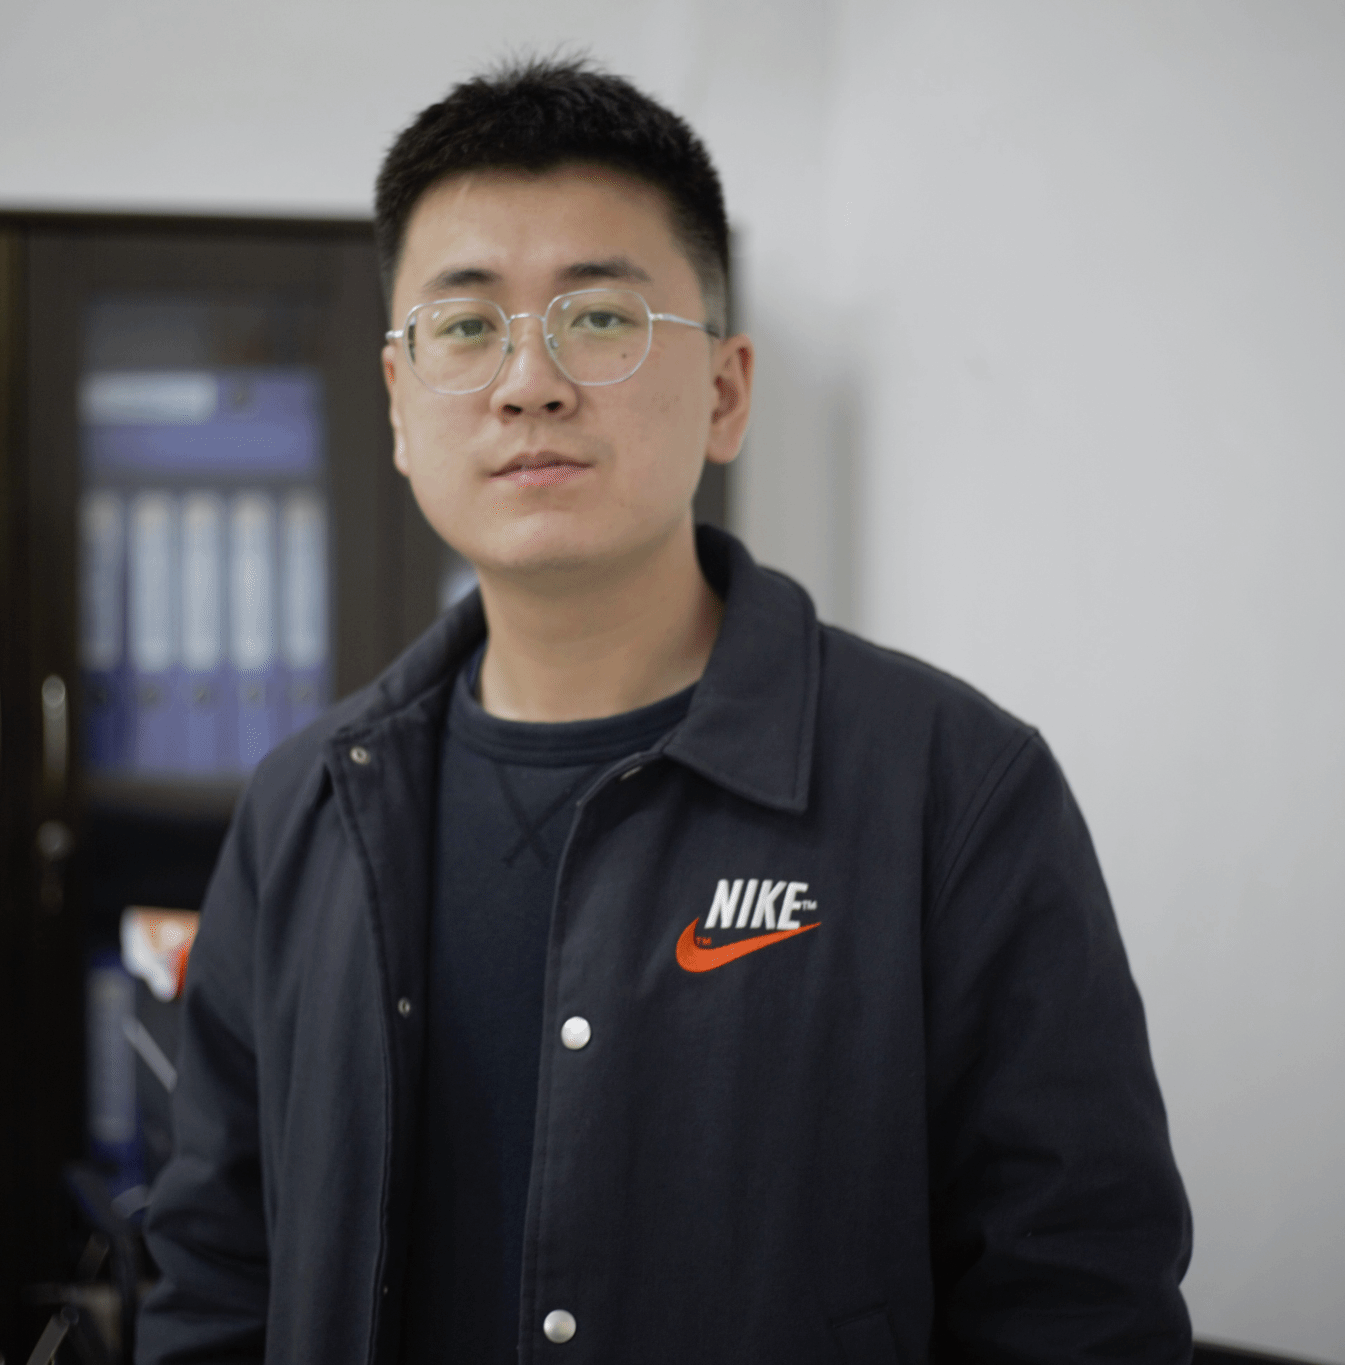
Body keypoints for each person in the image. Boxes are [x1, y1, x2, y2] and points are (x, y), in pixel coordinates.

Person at [138, 56, 1192, 1365]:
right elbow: (216, 1273)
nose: (529, 382)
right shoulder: (307, 805)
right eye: (465, 327)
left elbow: (1078, 1300)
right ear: (399, 407)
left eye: (599, 317)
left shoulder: (950, 791)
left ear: (726, 393)